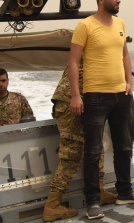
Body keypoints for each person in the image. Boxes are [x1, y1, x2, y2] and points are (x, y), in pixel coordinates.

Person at [68, 0, 134, 220]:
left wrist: (129, 83)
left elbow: (124, 55)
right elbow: (73, 62)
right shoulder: (85, 26)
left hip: (121, 95)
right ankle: (92, 201)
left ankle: (124, 191)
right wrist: (75, 95)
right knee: (93, 151)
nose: (119, 0)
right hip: (95, 97)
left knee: (124, 146)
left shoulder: (121, 24)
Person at [42, 62, 117, 222]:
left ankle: (99, 191)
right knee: (71, 156)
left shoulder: (92, 49)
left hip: (83, 102)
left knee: (97, 148)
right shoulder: (92, 50)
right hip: (72, 104)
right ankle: (52, 205)